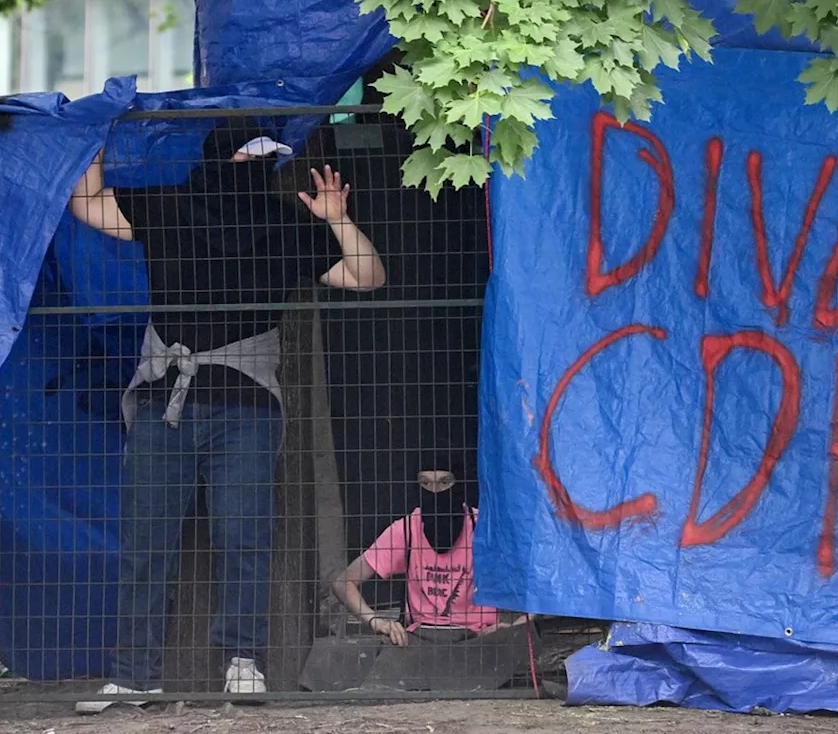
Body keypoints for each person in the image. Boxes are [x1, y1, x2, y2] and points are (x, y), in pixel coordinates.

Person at [70, 117, 386, 713]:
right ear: (220, 160)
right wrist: (94, 133)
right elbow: (86, 204)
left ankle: (243, 662)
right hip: (167, 405)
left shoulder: (283, 226)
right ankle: (135, 676)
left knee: (244, 538)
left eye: (261, 163)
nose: (250, 174)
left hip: (246, 409)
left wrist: (337, 218)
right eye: (246, 161)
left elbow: (368, 277)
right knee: (146, 543)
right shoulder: (167, 210)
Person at [299, 450, 534, 692]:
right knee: (334, 656)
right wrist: (377, 622)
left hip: (477, 640)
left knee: (516, 642)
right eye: (425, 483)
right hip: (418, 641)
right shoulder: (406, 530)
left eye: (444, 482)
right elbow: (343, 583)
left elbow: (537, 580)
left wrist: (511, 624)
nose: (435, 491)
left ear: (459, 484)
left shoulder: (484, 527)